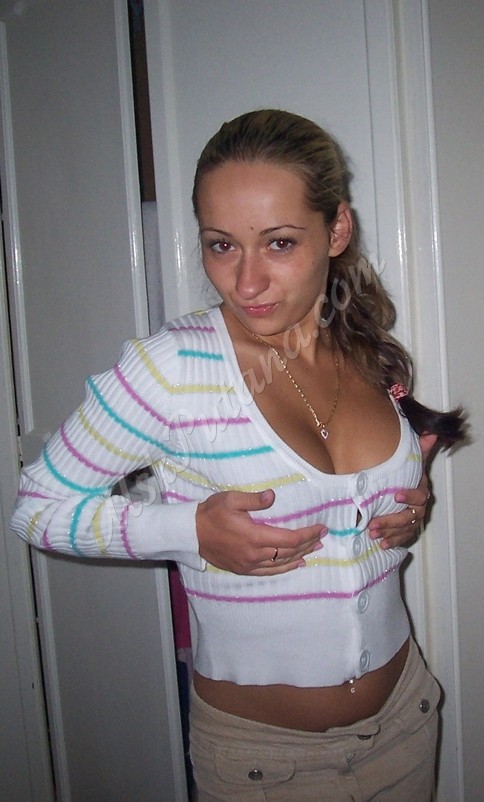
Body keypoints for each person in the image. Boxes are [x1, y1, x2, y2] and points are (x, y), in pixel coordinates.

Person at [11, 109, 465, 801]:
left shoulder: (362, 347)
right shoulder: (172, 369)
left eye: (279, 243)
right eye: (222, 246)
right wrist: (190, 531)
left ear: (336, 230)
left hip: (406, 722)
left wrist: (409, 500)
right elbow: (37, 507)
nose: (246, 282)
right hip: (265, 767)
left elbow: (352, 501)